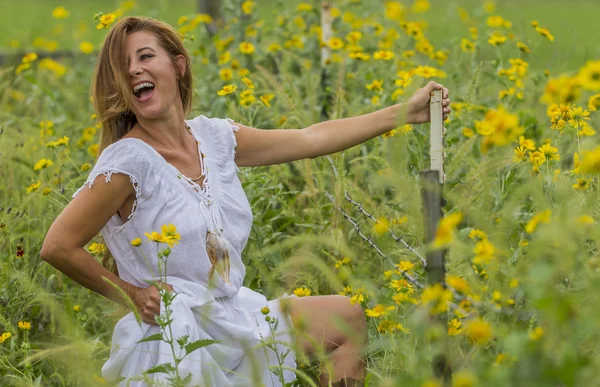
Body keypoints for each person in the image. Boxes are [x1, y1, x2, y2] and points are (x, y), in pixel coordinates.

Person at [40, 16, 450, 387]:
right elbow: (58, 245)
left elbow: (309, 139)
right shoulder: (128, 162)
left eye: (145, 56)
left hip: (235, 314)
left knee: (345, 318)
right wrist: (129, 292)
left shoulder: (214, 139)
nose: (134, 71)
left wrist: (405, 113)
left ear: (177, 65)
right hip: (176, 336)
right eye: (123, 68)